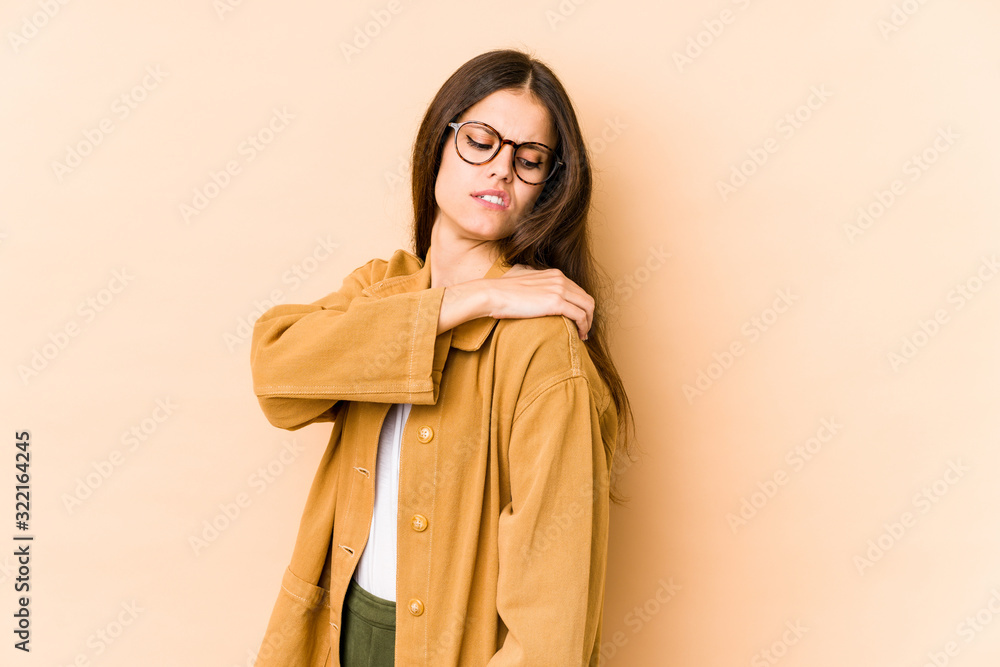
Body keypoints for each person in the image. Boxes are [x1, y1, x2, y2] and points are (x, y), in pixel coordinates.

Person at [249, 48, 635, 667]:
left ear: (546, 189)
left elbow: (550, 627)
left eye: (529, 159)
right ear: (439, 142)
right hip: (337, 637)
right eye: (480, 141)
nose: (502, 169)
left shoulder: (540, 346)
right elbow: (276, 375)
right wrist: (466, 298)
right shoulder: (382, 289)